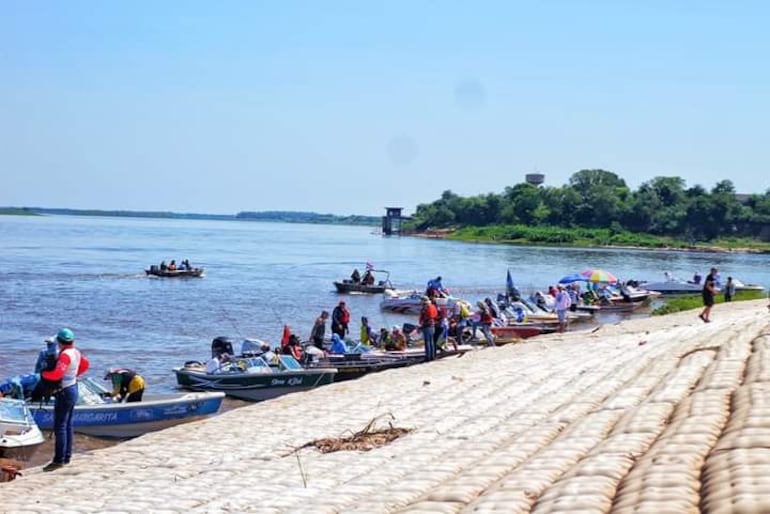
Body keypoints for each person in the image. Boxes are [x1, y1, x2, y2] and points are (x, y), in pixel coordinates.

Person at [41, 328, 90, 471]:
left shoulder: (65, 355)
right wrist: (74, 375)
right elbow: (86, 365)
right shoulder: (76, 352)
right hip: (73, 388)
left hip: (64, 392)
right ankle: (67, 456)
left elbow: (56, 375)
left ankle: (58, 460)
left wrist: (44, 374)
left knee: (60, 427)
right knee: (68, 424)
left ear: (60, 342)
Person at [418, 296, 438, 361]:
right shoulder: (432, 306)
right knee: (431, 341)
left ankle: (428, 357)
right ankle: (432, 356)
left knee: (427, 342)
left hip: (427, 326)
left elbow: (426, 318)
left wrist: (422, 326)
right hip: (432, 325)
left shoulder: (426, 308)